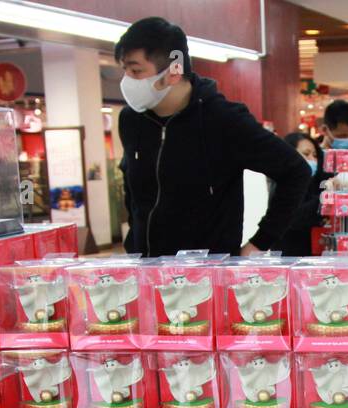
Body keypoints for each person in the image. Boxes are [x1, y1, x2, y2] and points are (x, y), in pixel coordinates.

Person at [114, 17, 309, 257]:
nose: (128, 81)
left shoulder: (223, 119)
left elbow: (295, 171)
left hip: (207, 277)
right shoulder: (131, 120)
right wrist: (133, 245)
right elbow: (133, 193)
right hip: (147, 273)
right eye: (124, 70)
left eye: (136, 71)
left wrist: (260, 242)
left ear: (174, 70)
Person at [272, 132, 325, 256]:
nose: (312, 160)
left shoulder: (312, 182)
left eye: (315, 155)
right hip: (289, 257)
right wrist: (324, 198)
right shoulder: (283, 183)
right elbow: (295, 217)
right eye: (306, 154)